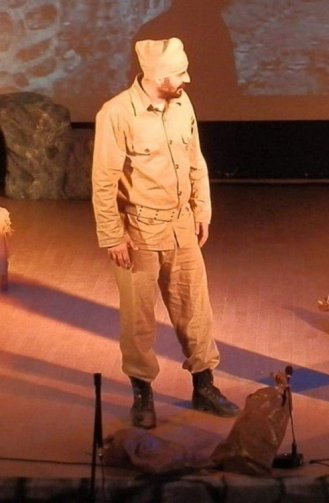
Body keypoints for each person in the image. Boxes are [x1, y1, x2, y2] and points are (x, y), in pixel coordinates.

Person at [92, 37, 239, 429]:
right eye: (180, 73)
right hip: (138, 230)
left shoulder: (182, 104)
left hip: (181, 225)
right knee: (138, 319)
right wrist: (112, 235)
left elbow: (195, 161)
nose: (187, 80)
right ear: (157, 76)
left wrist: (202, 209)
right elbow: (104, 181)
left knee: (195, 309)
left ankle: (204, 385)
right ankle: (142, 393)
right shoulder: (117, 114)